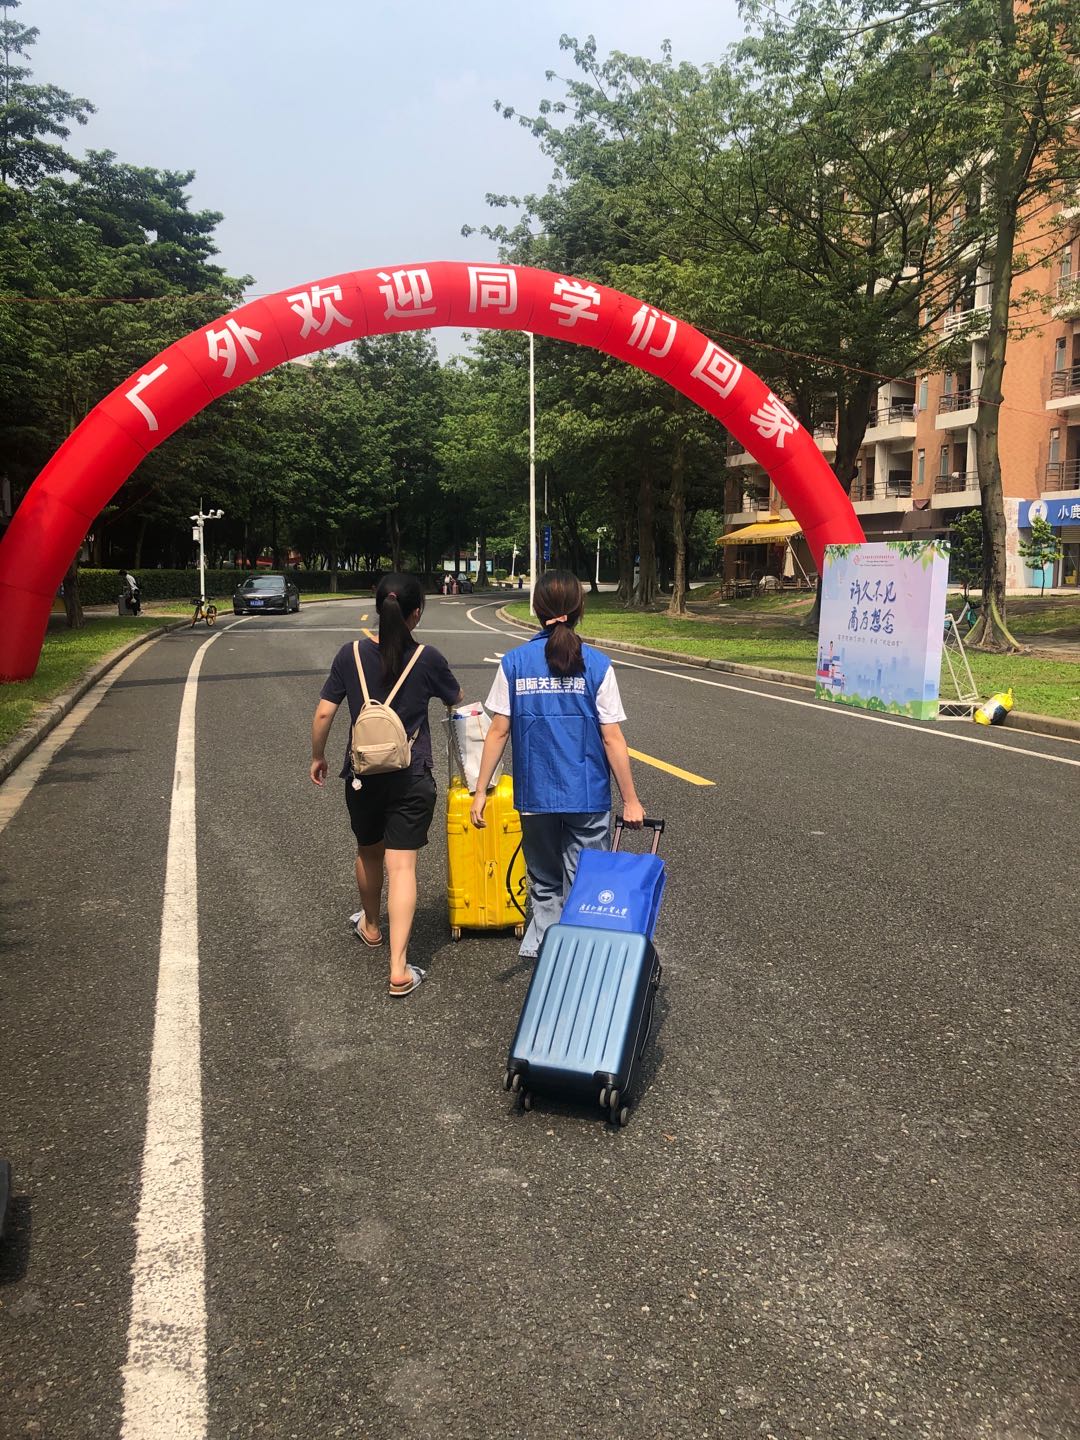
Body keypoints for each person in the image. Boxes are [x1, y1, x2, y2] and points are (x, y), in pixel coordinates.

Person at [470, 569, 644, 959]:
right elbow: (612, 737)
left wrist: (480, 791)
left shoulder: (515, 663)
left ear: (536, 610)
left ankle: (549, 960)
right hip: (587, 795)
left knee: (544, 884)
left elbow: (498, 731)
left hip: (535, 796)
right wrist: (631, 800)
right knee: (585, 883)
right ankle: (580, 961)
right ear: (580, 610)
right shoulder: (597, 665)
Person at [310, 574, 462, 997]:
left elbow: (324, 713)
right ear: (417, 614)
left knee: (368, 851)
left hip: (363, 776)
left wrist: (318, 756)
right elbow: (456, 699)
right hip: (411, 776)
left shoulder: (350, 655)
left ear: (378, 609)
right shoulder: (428, 658)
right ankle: (399, 969)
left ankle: (372, 926)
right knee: (403, 867)